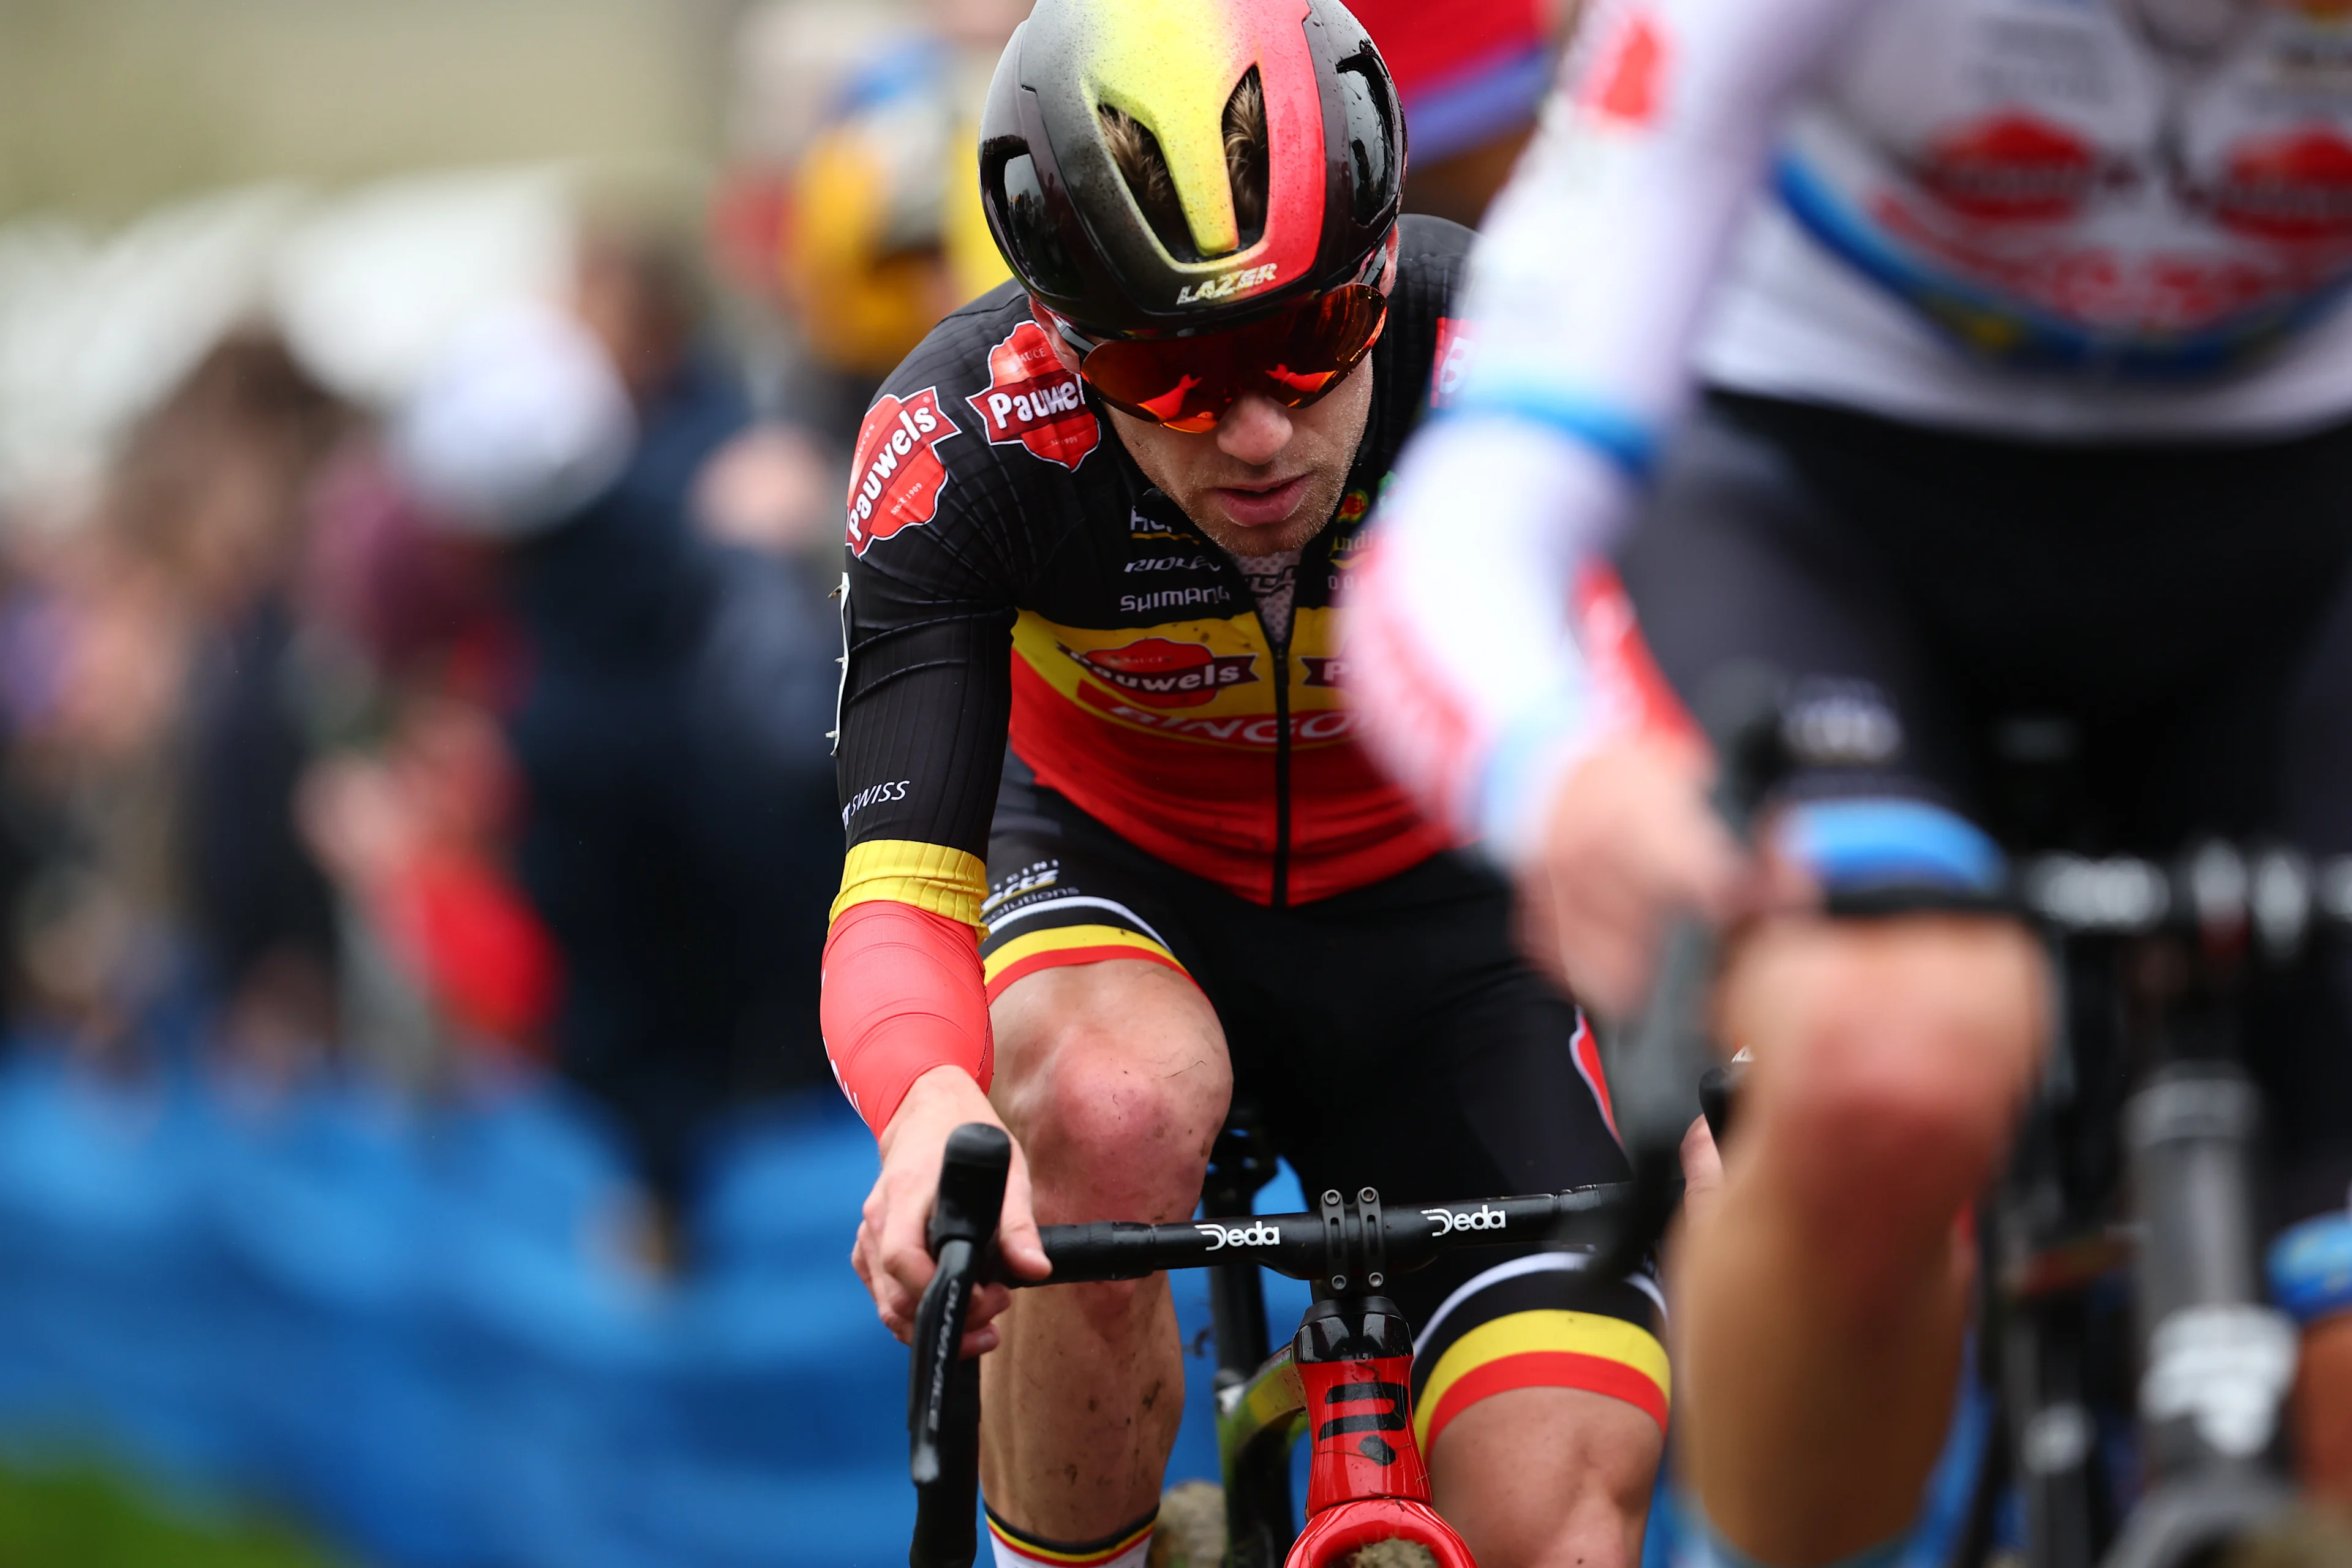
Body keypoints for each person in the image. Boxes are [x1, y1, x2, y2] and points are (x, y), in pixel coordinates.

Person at [1347, 0, 2352, 1561]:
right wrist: (1566, 779)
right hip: (1832, 496)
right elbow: (1465, 529)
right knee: (1898, 1058)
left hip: (2292, 533)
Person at [824, 4, 1667, 1566]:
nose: (1262, 431)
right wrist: (926, 1098)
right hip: (1117, 883)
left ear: (1379, 271)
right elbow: (897, 887)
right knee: (1100, 1102)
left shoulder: (1510, 349)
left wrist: (1724, 1021)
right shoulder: (965, 443)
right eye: (1171, 368)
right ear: (1069, 338)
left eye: (1312, 337)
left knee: (1562, 1509)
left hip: (1457, 927)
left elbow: (1670, 731)